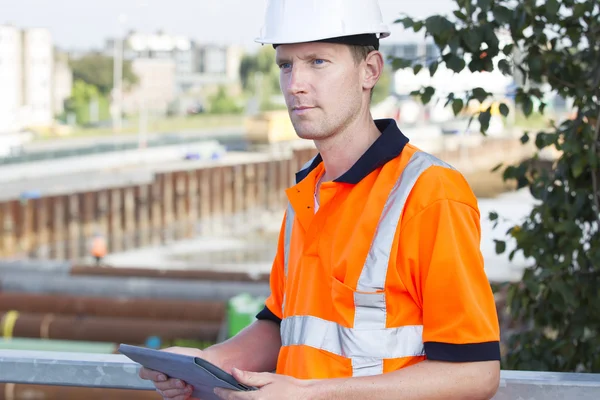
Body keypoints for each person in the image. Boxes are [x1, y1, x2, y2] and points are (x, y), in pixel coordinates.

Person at [139, 0, 502, 398]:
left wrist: (313, 394)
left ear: (370, 70)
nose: (295, 83)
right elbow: (281, 325)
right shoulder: (307, 195)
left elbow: (475, 373)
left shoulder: (430, 193)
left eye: (318, 62)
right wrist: (208, 364)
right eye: (286, 65)